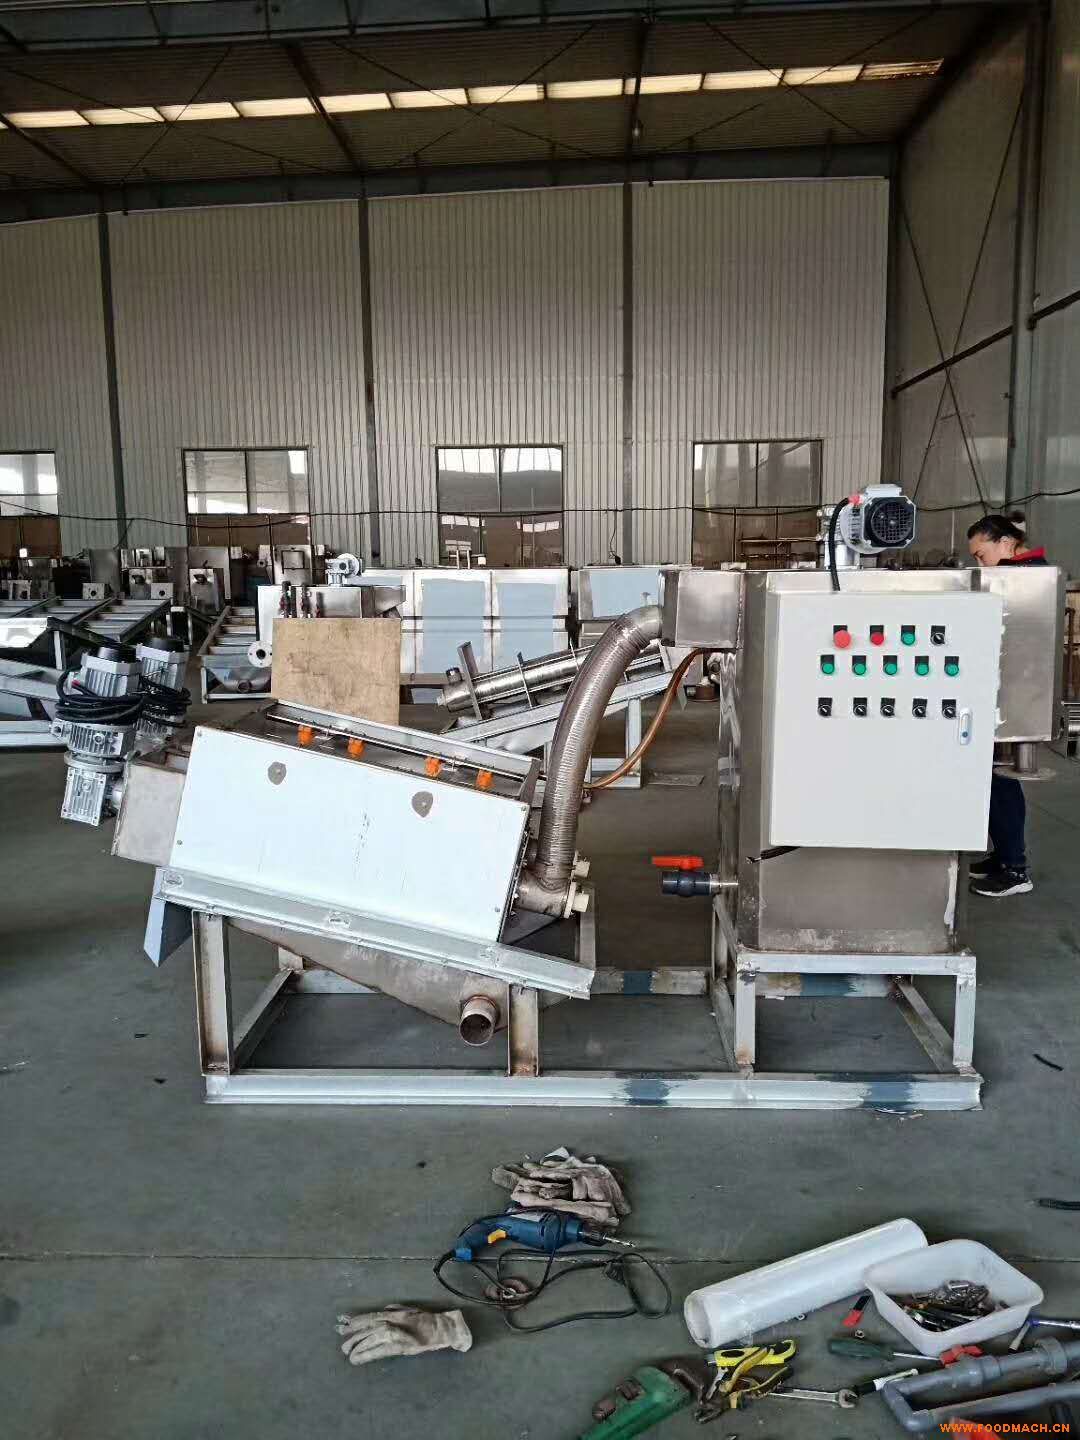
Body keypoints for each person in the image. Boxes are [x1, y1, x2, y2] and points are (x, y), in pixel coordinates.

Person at [966, 511, 1047, 898]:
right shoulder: (1020, 574)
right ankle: (1003, 857)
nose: (981, 564)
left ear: (1006, 542)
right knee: (995, 781)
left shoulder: (1029, 578)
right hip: (1006, 693)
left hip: (1014, 697)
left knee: (1001, 782)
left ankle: (1015, 870)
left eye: (981, 555)